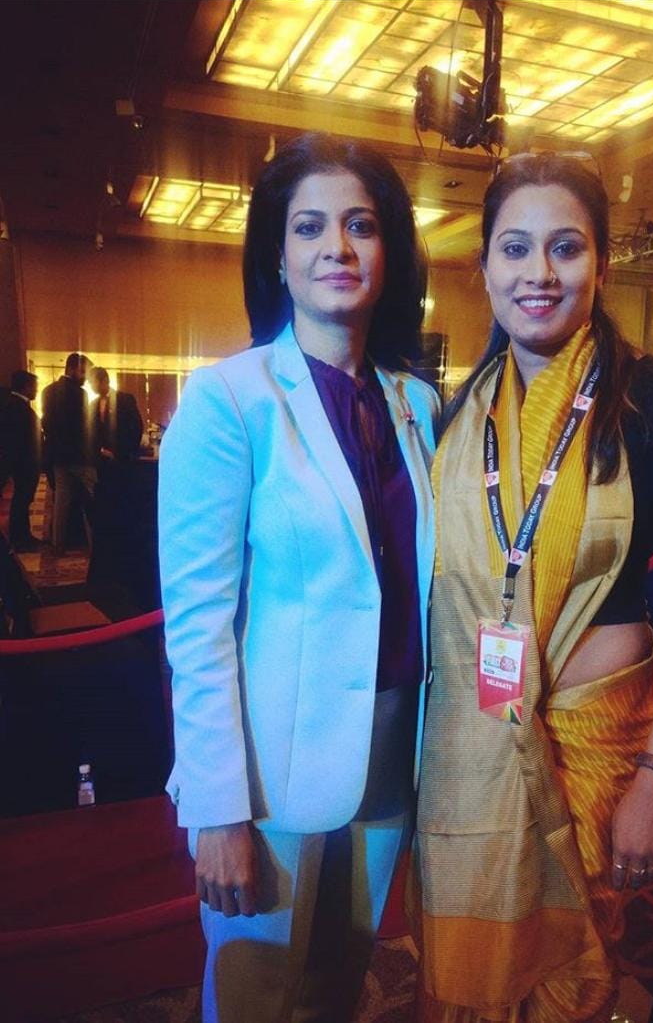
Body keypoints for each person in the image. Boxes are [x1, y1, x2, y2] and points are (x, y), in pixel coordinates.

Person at [411, 154, 653, 1022]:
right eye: (514, 248)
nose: (538, 273)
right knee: (474, 970)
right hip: (475, 740)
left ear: (601, 264)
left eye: (565, 247)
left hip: (597, 747)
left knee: (571, 970)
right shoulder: (458, 416)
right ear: (483, 268)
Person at [158, 132, 440, 1023]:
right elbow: (197, 626)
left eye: (361, 226)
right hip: (270, 774)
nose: (337, 248)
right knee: (257, 1000)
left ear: (389, 253)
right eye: (310, 227)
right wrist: (218, 809)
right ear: (277, 258)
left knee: (336, 990)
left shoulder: (417, 403)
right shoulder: (229, 399)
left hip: (392, 752)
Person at [40, 352, 95, 555]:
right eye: (83, 372)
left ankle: (58, 544)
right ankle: (94, 544)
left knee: (61, 503)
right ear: (71, 369)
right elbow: (84, 428)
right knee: (91, 500)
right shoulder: (80, 394)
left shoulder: (48, 391)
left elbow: (46, 423)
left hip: (57, 455)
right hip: (79, 456)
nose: (85, 377)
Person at [0, 370, 42, 550]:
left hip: (23, 462)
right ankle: (20, 539)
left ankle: (23, 535)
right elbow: (17, 440)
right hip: (23, 463)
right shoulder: (17, 407)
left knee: (23, 500)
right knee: (22, 500)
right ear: (26, 386)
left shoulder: (14, 404)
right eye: (35, 387)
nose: (36, 390)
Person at [89, 367, 143, 464]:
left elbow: (137, 427)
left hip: (123, 458)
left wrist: (128, 453)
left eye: (93, 382)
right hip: (100, 459)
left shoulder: (125, 399)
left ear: (104, 380)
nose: (91, 386)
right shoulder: (93, 404)